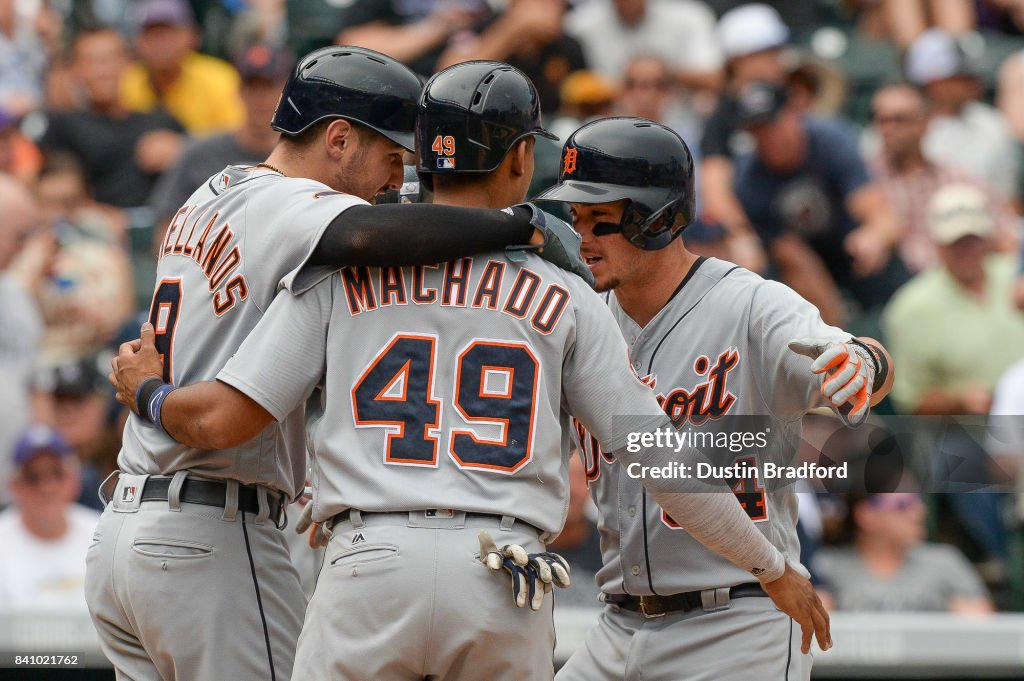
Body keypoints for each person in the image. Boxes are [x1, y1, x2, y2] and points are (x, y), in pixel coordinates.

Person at [110, 62, 830, 680]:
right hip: (502, 570)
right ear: (521, 159)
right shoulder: (565, 289)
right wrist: (768, 563)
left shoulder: (336, 275)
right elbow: (654, 455)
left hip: (369, 559)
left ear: (423, 155)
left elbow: (228, 417)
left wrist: (146, 392)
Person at [85, 46, 591, 681]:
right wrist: (524, 226)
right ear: (340, 138)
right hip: (212, 529)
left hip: (130, 528)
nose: (393, 181)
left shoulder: (214, 190)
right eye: (390, 156)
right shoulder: (292, 209)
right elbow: (368, 238)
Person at [534, 116, 893, 681]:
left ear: (658, 219)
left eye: (600, 222)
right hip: (618, 625)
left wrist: (866, 363)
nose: (582, 238)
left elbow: (847, 352)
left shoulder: (751, 303)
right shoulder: (583, 316)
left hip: (738, 619)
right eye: (576, 219)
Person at [732, 81, 908, 327]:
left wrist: (875, 236)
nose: (768, 138)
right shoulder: (749, 180)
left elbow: (873, 206)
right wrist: (834, 329)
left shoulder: (830, 139)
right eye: (757, 131)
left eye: (773, 125)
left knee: (890, 268)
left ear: (794, 114)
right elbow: (792, 255)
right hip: (803, 261)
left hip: (850, 245)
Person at [868, 83, 1018, 274]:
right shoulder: (864, 182)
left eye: (901, 120)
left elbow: (1005, 234)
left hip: (958, 281)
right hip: (892, 286)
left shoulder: (956, 178)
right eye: (882, 121)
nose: (890, 129)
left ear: (925, 122)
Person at [148, 42, 294, 237]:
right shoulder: (198, 152)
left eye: (269, 87)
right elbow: (166, 229)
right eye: (252, 87)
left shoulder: (306, 154)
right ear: (239, 91)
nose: (260, 98)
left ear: (286, 93)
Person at [39, 26, 185, 210]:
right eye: (91, 61)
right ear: (75, 69)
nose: (103, 71)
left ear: (128, 63)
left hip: (164, 225)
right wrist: (98, 215)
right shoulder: (64, 125)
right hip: (95, 229)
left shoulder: (161, 120)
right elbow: (53, 190)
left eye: (110, 59)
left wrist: (183, 150)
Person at [816, 490, 993, 613]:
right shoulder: (827, 566)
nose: (918, 512)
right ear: (866, 515)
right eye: (903, 505)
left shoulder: (945, 561)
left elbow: (980, 624)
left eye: (918, 501)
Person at [0, 425, 101, 611]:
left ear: (74, 480)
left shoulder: (102, 534)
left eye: (57, 474)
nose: (47, 487)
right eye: (33, 477)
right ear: (14, 485)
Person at [119, 0, 244, 135]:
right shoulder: (128, 81)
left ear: (191, 35)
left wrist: (184, 148)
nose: (160, 43)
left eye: (168, 33)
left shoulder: (219, 79)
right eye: (151, 34)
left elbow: (236, 139)